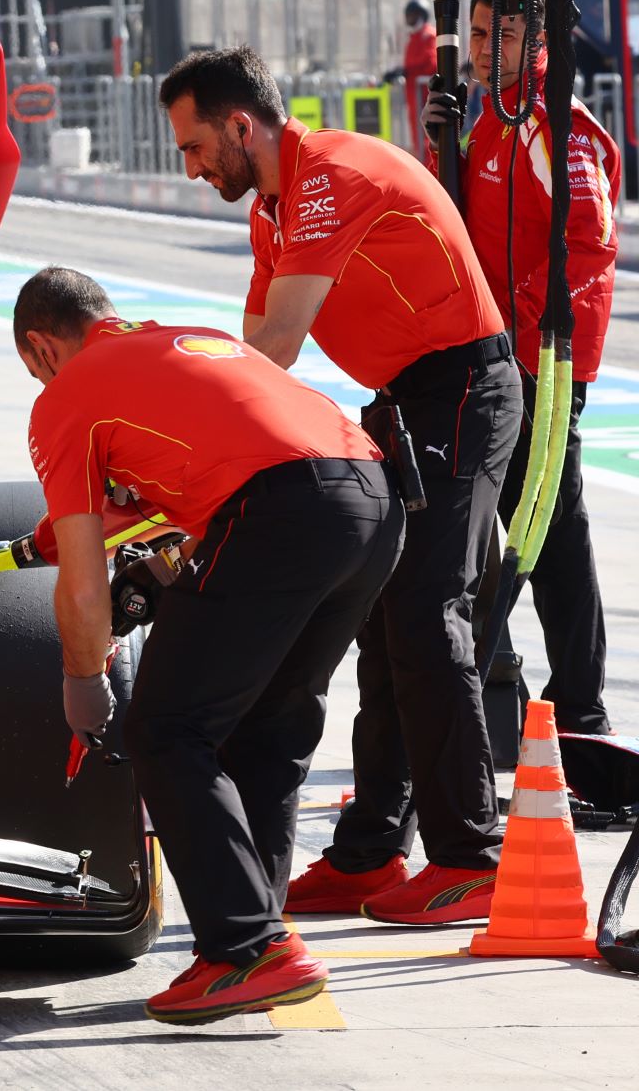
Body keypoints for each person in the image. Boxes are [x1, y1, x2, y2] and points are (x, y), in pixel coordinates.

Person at [162, 46, 519, 926]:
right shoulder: (273, 213)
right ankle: (368, 854)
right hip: (406, 397)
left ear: (243, 125)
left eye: (197, 145)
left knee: (430, 612)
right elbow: (252, 362)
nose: (192, 166)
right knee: (382, 617)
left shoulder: (328, 176)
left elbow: (274, 346)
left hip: (464, 385)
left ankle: (470, 856)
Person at [16, 267, 400, 1024]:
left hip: (283, 511)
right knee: (272, 721)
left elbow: (85, 589)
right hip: (375, 500)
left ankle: (246, 947)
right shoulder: (195, 343)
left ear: (41, 347)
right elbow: (222, 471)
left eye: (34, 368)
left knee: (164, 725)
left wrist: (83, 677)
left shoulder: (66, 396)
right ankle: (258, 936)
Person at [425, 0, 623, 736]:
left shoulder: (555, 122)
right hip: (496, 359)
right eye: (475, 34)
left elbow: (588, 245)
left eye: (500, 36)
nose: (481, 50)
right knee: (506, 521)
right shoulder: (492, 120)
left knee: (553, 530)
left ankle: (582, 711)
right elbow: (462, 224)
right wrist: (440, 140)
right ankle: (521, 692)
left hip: (541, 363)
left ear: (538, 42)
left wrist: (520, 341)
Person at [384, 0, 438, 151]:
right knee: (418, 137)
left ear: (421, 15)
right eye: (408, 15)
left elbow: (431, 63)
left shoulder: (428, 35)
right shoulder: (415, 37)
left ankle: (429, 170)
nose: (409, 19)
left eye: (412, 15)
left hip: (424, 96)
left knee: (427, 136)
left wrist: (406, 70)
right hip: (415, 96)